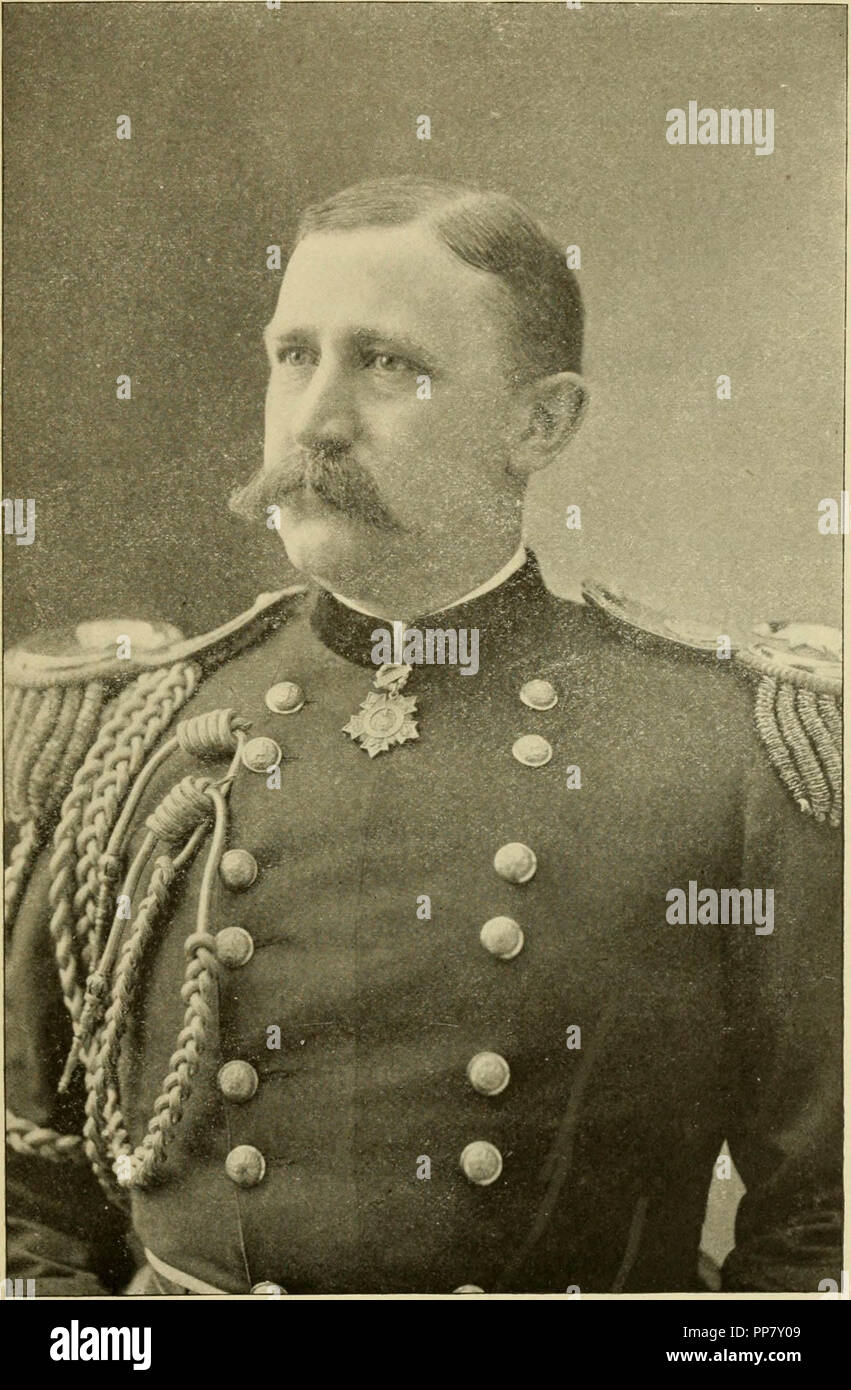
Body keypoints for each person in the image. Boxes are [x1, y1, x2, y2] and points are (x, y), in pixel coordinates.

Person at [5, 176, 841, 1296]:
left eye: (387, 364)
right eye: (293, 354)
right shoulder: (132, 729)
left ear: (539, 423)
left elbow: (817, 1234)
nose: (314, 422)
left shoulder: (726, 752)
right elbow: (31, 1202)